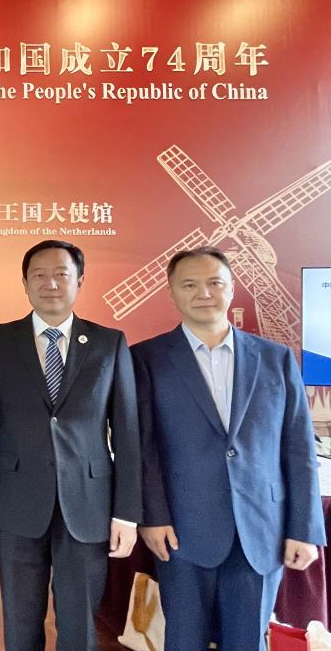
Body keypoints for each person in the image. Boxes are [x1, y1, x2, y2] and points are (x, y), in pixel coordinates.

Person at [133, 246, 325, 651]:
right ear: (172, 292)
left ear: (232, 288)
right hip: (181, 531)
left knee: (249, 642)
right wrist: (152, 516)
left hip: (262, 531)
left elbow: (298, 449)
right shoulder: (146, 359)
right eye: (190, 285)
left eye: (214, 283)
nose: (204, 293)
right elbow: (142, 448)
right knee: (183, 640)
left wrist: (304, 529)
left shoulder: (275, 359)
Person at [0, 239, 141, 651]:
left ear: (79, 281)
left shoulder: (109, 343)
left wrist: (127, 513)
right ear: (25, 283)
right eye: (39, 275)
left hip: (88, 502)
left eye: (61, 275)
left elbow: (127, 431)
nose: (50, 284)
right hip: (17, 499)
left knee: (79, 624)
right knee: (20, 620)